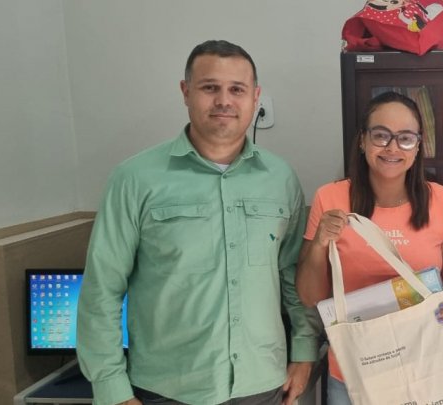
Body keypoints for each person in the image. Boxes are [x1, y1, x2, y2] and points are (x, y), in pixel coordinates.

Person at [77, 40, 319, 405]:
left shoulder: (280, 178)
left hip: (261, 385)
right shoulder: (134, 179)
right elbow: (102, 289)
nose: (224, 101)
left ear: (255, 97)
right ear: (186, 92)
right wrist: (111, 388)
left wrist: (304, 351)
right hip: (166, 390)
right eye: (210, 88)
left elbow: (292, 275)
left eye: (237, 89)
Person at [295, 91, 443, 405]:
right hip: (354, 373)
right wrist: (320, 242)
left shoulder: (439, 198)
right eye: (380, 135)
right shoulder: (330, 198)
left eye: (405, 138)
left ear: (418, 146)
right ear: (363, 141)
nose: (392, 147)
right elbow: (309, 297)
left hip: (427, 366)